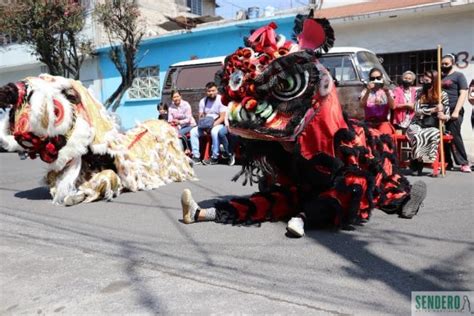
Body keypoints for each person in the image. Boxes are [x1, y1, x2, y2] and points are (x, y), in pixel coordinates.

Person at [178, 16, 426, 238]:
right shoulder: (287, 133)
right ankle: (203, 213)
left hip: (347, 154)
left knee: (376, 187)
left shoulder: (330, 114)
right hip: (305, 168)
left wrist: (306, 216)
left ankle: (406, 199)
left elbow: (353, 184)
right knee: (277, 198)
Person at [406, 70, 450, 176]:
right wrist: (432, 110)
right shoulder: (419, 93)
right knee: (415, 134)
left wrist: (443, 116)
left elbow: (447, 115)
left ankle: (418, 162)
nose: (424, 82)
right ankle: (417, 161)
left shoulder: (442, 95)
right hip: (418, 122)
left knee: (426, 135)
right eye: (423, 80)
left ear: (433, 81)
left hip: (433, 124)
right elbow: (416, 111)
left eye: (427, 80)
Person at [441, 54, 471, 173]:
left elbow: (463, 93)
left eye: (446, 64)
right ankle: (447, 162)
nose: (444, 66)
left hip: (454, 109)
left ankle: (463, 162)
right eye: (442, 64)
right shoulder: (441, 77)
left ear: (452, 63)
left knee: (454, 135)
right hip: (442, 111)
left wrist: (456, 111)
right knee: (443, 137)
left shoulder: (459, 75)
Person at [189, 82, 226, 165]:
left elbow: (222, 117)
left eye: (213, 90)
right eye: (209, 91)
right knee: (193, 132)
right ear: (206, 92)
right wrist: (203, 127)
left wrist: (211, 127)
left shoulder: (221, 100)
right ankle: (196, 157)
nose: (211, 93)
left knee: (214, 132)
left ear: (217, 90)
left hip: (217, 123)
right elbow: (201, 116)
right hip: (205, 125)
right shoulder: (203, 101)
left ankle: (214, 157)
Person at [360, 67, 396, 135]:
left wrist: (387, 93)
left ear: (382, 78)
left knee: (384, 137)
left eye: (378, 78)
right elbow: (361, 105)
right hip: (368, 122)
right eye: (372, 78)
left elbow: (393, 107)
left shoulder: (387, 91)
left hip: (383, 122)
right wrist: (368, 91)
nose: (375, 80)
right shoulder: (365, 91)